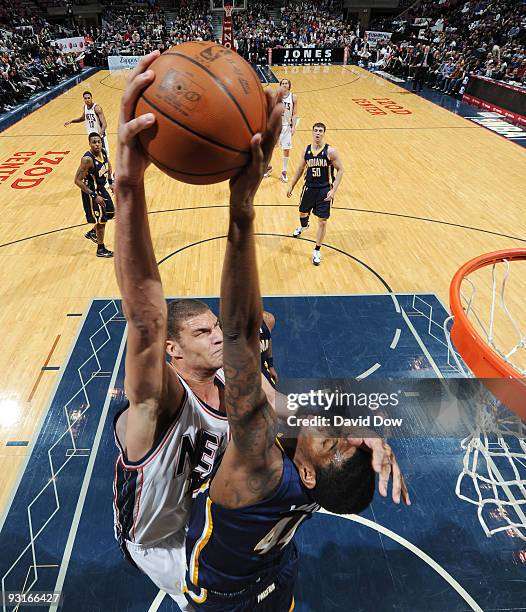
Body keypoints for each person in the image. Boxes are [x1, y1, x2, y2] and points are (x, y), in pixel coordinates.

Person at [113, 51, 406, 610]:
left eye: (212, 327)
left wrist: (129, 183)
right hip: (176, 533)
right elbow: (257, 353)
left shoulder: (258, 453)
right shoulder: (159, 401)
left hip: (191, 557)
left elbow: (155, 320)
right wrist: (369, 425)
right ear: (176, 353)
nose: (218, 334)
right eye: (204, 332)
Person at [183, 100, 411, 610]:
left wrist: (241, 210)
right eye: (346, 438)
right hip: (277, 568)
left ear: (307, 473)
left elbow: (239, 334)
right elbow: (296, 406)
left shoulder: (258, 467)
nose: (336, 429)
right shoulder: (318, 478)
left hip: (224, 593)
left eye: (334, 443)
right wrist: (366, 428)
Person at [287, 123, 344, 266]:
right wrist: (291, 185)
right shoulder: (306, 151)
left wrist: (333, 190)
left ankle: (317, 250)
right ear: (312, 132)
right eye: (315, 131)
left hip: (324, 190)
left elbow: (341, 170)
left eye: (320, 131)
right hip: (309, 188)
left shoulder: (330, 151)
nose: (318, 133)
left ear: (324, 133)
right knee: (302, 213)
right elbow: (300, 169)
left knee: (322, 221)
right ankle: (304, 226)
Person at [73, 132, 114, 257]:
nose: (96, 144)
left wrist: (111, 182)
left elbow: (108, 166)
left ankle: (93, 232)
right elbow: (77, 181)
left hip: (101, 188)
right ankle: (100, 249)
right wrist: (94, 196)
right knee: (102, 220)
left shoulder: (104, 152)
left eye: (98, 142)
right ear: (89, 144)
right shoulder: (87, 160)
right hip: (91, 191)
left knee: (111, 212)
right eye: (94, 142)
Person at [264, 78, 298, 183]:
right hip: (276, 126)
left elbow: (295, 113)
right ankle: (268, 167)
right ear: (280, 85)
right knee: (270, 148)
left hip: (287, 126)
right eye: (282, 83)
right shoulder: (276, 97)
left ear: (289, 85)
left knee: (286, 149)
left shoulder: (293, 97)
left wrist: (293, 127)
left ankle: (284, 171)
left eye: (286, 83)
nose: (284, 85)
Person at [64, 90, 110, 156]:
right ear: (83, 99)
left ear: (91, 98)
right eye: (85, 98)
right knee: (96, 156)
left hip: (99, 136)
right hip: (91, 136)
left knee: (104, 155)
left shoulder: (97, 108)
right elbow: (82, 118)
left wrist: (99, 136)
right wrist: (71, 121)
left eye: (88, 98)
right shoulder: (85, 107)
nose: (87, 100)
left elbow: (104, 124)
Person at [261, 310, 278, 386]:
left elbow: (269, 339)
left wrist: (271, 366)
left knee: (272, 392)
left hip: (261, 366)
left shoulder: (268, 319)